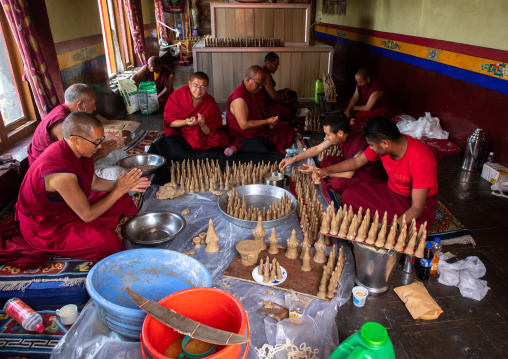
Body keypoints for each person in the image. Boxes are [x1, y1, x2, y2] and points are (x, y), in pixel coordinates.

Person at [1, 112, 150, 268]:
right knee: (108, 243)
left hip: (67, 208)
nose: (99, 146)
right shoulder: (60, 172)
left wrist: (123, 185)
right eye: (96, 142)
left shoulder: (78, 151)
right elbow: (88, 215)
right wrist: (118, 190)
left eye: (101, 140)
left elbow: (95, 182)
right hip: (47, 227)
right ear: (75, 140)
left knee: (120, 199)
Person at [315, 116, 438, 230]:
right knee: (349, 195)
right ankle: (382, 220)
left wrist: (392, 230)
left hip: (414, 203)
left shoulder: (421, 159)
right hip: (391, 191)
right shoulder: (384, 145)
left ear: (385, 143)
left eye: (371, 145)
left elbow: (417, 208)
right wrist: (326, 170)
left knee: (415, 226)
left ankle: (385, 222)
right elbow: (358, 161)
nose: (371, 148)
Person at [281, 111, 386, 192]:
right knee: (327, 159)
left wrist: (321, 171)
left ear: (340, 133)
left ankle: (325, 176)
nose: (326, 137)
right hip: (348, 164)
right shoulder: (343, 133)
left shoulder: (358, 142)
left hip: (364, 173)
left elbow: (348, 174)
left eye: (328, 134)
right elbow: (318, 148)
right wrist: (293, 159)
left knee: (337, 183)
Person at [27, 83, 117, 166]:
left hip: (68, 161)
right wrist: (100, 153)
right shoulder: (62, 123)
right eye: (92, 104)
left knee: (115, 153)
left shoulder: (68, 113)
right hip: (49, 170)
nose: (94, 108)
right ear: (81, 105)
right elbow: (72, 161)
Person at [225, 66, 296, 154]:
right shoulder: (239, 98)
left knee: (287, 128)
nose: (261, 87)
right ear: (248, 80)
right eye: (259, 84)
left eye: (263, 84)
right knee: (262, 146)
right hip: (244, 135)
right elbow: (244, 125)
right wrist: (266, 122)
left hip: (259, 129)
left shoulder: (256, 92)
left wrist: (271, 123)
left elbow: (260, 112)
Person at [162, 71, 229, 151]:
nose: (198, 90)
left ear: (207, 87)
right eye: (195, 85)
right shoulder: (177, 96)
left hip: (200, 135)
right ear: (189, 84)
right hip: (179, 132)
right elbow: (170, 123)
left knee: (221, 139)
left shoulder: (210, 103)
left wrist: (203, 125)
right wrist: (185, 122)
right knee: (170, 141)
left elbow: (211, 131)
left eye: (203, 87)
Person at [261, 52, 296, 121]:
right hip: (263, 107)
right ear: (268, 63)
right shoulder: (265, 75)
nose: (277, 68)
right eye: (276, 65)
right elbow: (274, 97)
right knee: (288, 111)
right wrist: (286, 100)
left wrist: (282, 91)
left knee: (284, 107)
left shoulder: (265, 72)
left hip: (267, 102)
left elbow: (269, 93)